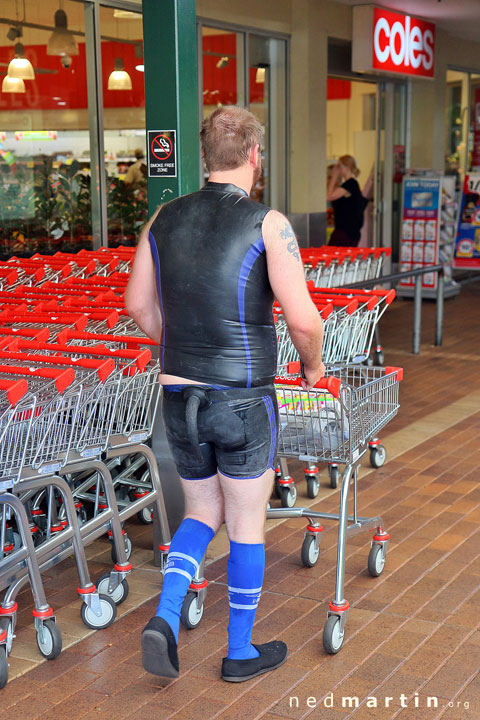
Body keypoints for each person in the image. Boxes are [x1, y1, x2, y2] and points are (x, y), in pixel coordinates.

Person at [125, 106, 325, 683]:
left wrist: (186, 348)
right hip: (242, 398)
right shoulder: (268, 223)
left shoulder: (162, 217)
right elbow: (304, 321)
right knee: (244, 520)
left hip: (178, 395)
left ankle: (164, 616)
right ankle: (239, 651)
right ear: (256, 156)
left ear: (205, 157)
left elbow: (138, 305)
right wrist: (312, 369)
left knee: (201, 511)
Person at [326, 154, 366, 247]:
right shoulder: (348, 185)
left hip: (346, 232)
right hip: (347, 231)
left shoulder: (351, 184)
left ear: (347, 167)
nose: (337, 169)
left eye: (339, 166)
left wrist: (334, 176)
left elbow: (329, 196)